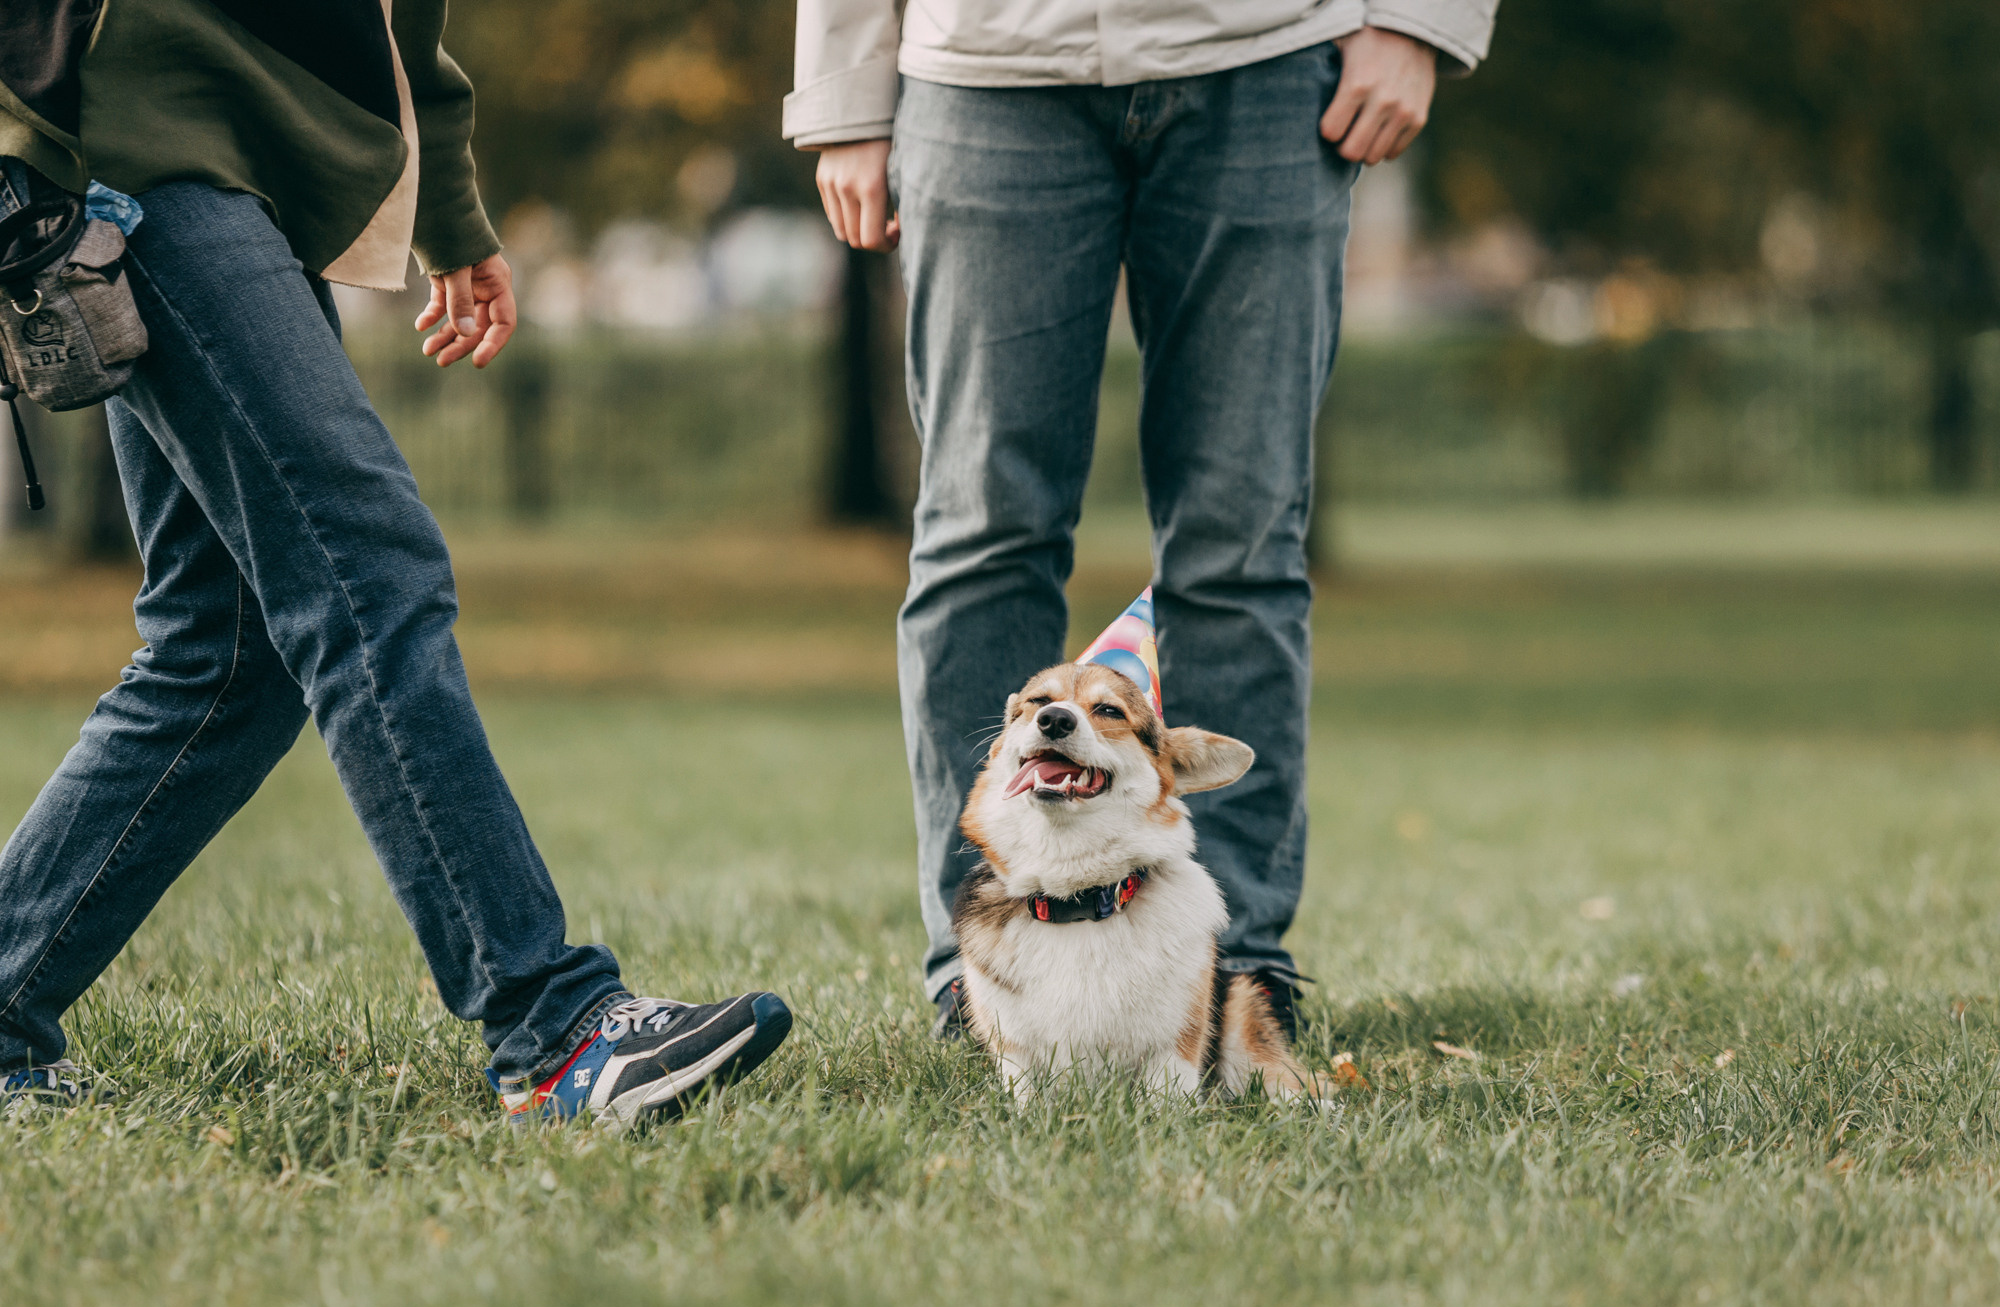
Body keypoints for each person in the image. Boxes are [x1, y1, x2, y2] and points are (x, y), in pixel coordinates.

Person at [0, 2, 792, 1126]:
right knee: (367, 571)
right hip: (133, 149)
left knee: (224, 653)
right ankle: (551, 1027)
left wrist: (453, 213)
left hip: (239, 169)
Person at [787, 0, 1500, 1038]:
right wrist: (845, 90)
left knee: (1240, 541)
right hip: (986, 73)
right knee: (979, 535)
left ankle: (1237, 963)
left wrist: (1415, 22)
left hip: (1261, 58)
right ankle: (980, 968)